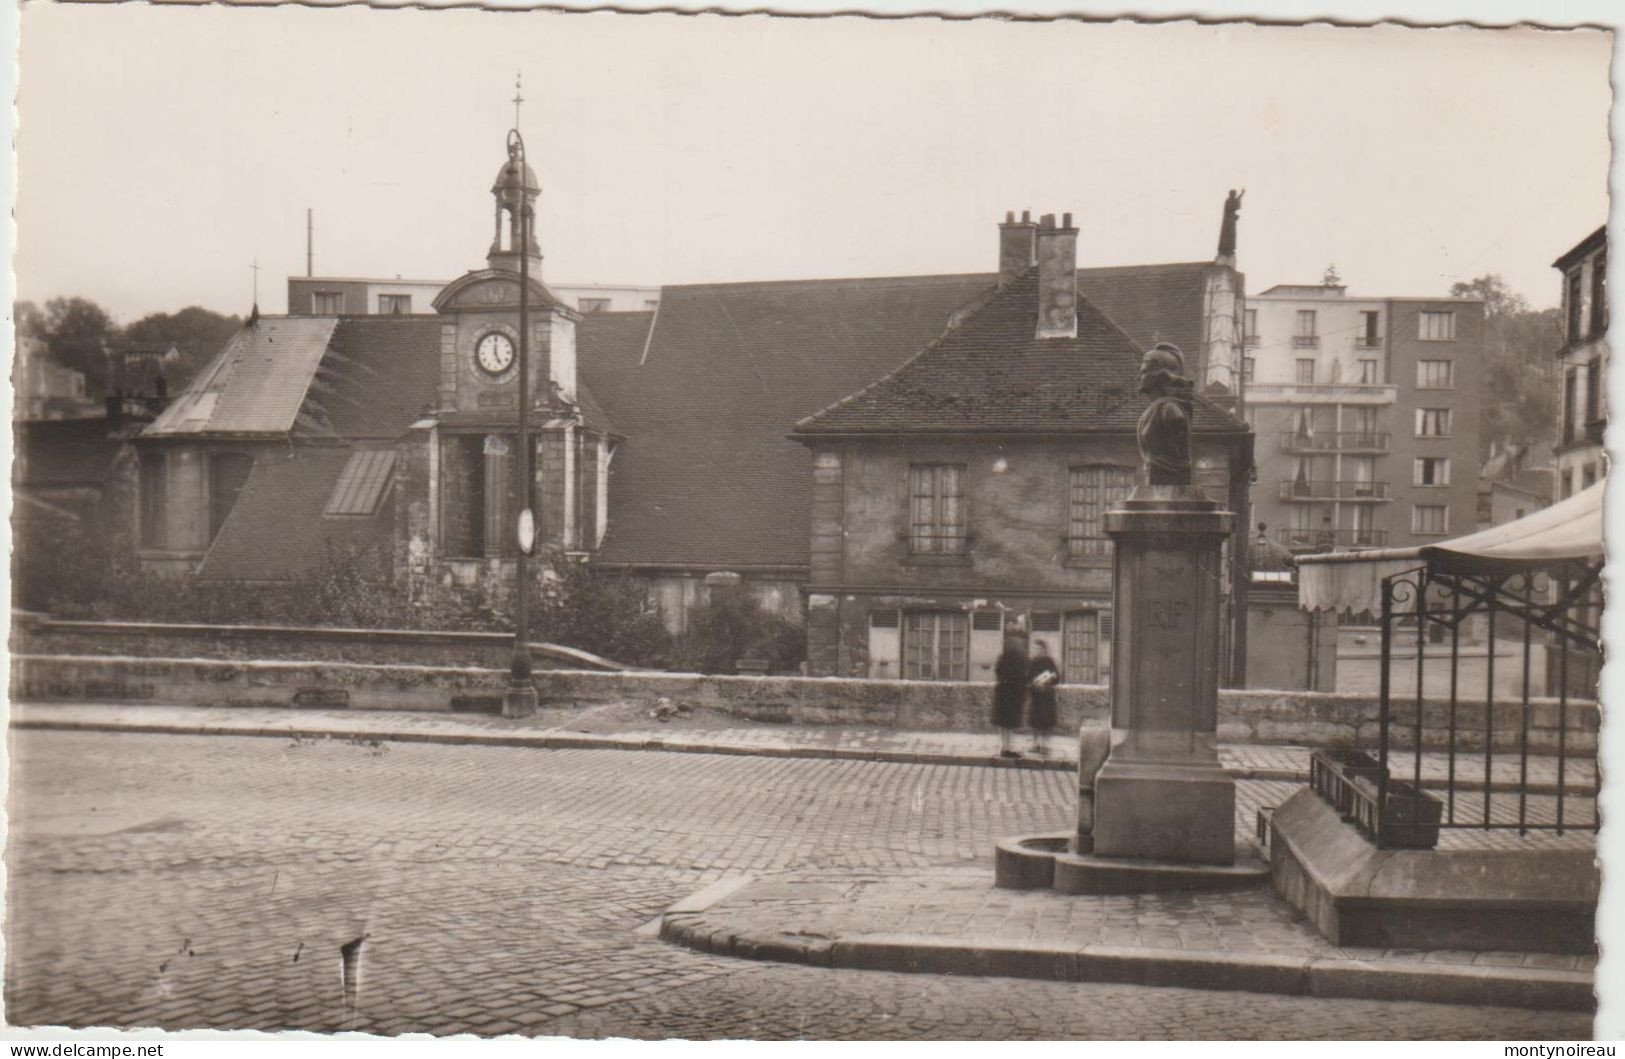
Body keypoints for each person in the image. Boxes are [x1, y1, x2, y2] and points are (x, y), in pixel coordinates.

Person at [991, 636, 1028, 758]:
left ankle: (1004, 747)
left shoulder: (1002, 659)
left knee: (1003, 723)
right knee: (1009, 723)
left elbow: (998, 673)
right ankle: (1008, 747)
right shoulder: (1019, 660)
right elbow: (1022, 677)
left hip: (1002, 692)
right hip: (1012, 694)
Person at [1026, 640, 1060, 755]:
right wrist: (1033, 685)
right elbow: (1027, 679)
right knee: (1035, 721)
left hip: (1047, 696)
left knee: (1047, 721)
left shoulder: (1049, 662)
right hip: (1036, 696)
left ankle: (1045, 745)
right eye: (1035, 649)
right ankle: (1036, 744)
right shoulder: (1032, 662)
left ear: (1044, 650)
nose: (1037, 651)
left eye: (1039, 649)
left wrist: (1049, 680)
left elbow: (1056, 677)